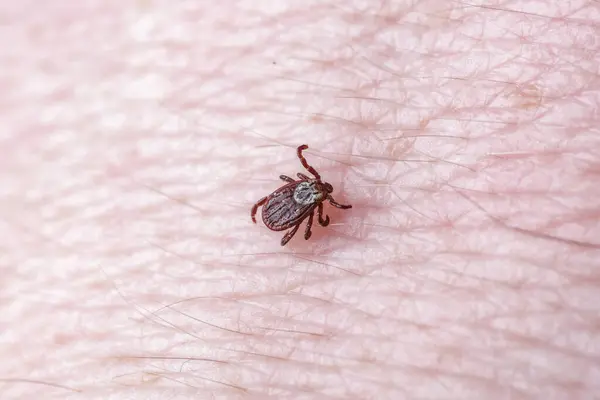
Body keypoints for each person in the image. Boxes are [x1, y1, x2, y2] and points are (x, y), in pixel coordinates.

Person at [1, 1, 598, 398]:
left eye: (315, 192)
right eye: (313, 188)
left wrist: (280, 208)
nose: (318, 191)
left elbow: (283, 200)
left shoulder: (298, 193)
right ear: (305, 187)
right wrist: (298, 215)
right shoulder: (307, 200)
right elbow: (295, 208)